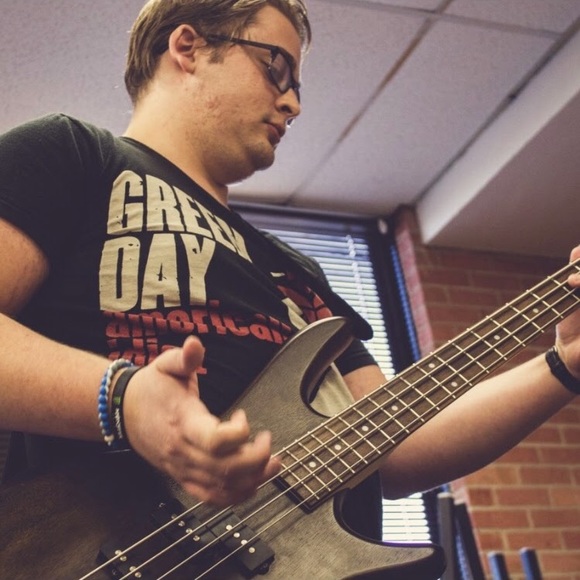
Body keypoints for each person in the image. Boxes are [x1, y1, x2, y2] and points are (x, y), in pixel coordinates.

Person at [0, 0, 579, 516]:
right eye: (275, 67)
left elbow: (392, 446)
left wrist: (562, 367)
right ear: (188, 47)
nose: (293, 103)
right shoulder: (72, 152)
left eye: (296, 85)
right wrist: (122, 399)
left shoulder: (300, 273)